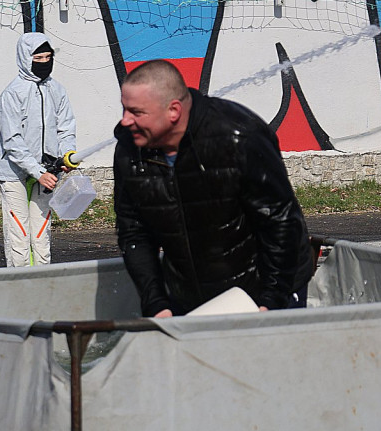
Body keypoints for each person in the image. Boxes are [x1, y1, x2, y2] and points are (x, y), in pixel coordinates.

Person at [114, 59, 315, 317]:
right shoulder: (129, 149)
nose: (125, 121)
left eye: (136, 112)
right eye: (124, 109)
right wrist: (156, 302)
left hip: (266, 288)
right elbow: (134, 233)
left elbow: (280, 221)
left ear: (173, 110)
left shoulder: (239, 137)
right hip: (190, 295)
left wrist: (272, 299)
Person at [0, 33, 77, 267]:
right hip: (14, 173)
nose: (44, 62)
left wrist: (67, 155)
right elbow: (11, 140)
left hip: (47, 172)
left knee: (42, 233)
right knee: (19, 233)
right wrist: (37, 171)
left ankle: (43, 279)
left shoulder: (57, 90)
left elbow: (66, 127)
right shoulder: (12, 93)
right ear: (25, 57)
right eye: (38, 58)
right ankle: (19, 281)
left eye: (48, 57)